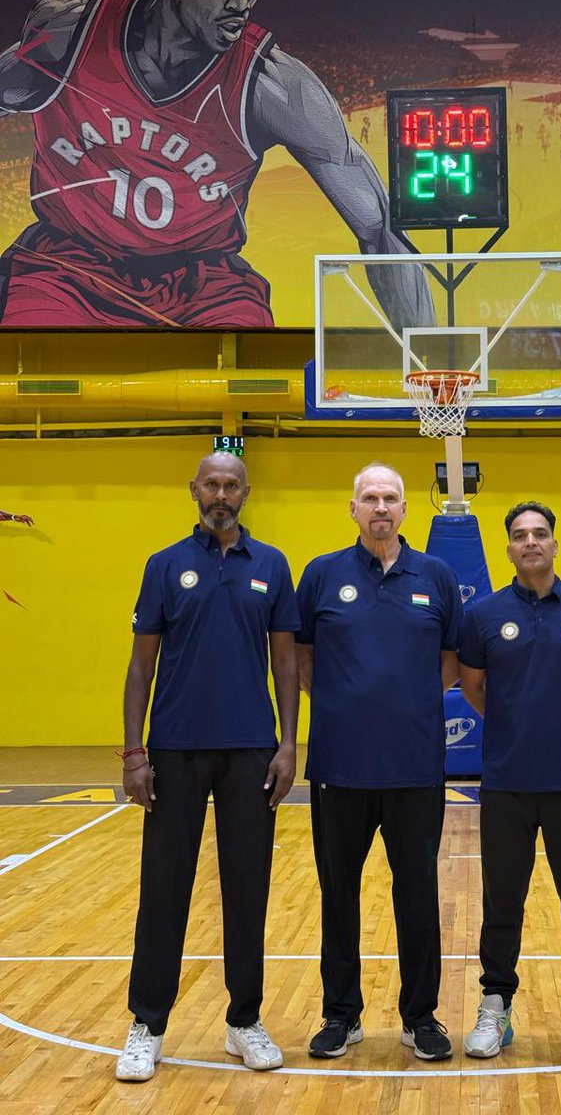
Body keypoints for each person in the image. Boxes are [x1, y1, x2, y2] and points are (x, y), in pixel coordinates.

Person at [0, 0, 431, 329]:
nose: (240, 2)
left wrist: (427, 355)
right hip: (66, 269)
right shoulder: (72, 34)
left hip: (205, 286)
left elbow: (379, 229)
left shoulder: (274, 87)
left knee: (254, 371)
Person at [116, 451, 299, 1082]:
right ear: (194, 489)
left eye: (231, 485)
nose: (221, 494)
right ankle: (147, 1025)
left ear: (246, 493)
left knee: (248, 888)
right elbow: (141, 665)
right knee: (163, 889)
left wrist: (288, 743)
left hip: (251, 750)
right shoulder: (164, 565)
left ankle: (244, 1020)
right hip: (175, 749)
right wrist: (135, 752)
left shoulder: (272, 565)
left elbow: (285, 662)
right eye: (211, 484)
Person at [295, 463, 463, 1062]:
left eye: (390, 498)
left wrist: (404, 704)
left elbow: (450, 661)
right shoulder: (321, 574)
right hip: (339, 765)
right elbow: (301, 658)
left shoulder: (436, 576)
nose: (381, 507)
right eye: (370, 497)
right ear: (353, 508)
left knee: (417, 893)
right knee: (338, 892)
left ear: (405, 509)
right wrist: (345, 703)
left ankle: (421, 1017)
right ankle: (341, 1015)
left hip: (415, 765)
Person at [458, 502, 561, 1062]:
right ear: (508, 548)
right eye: (520, 535)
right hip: (506, 783)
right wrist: (513, 725)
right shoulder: (483, 615)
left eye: (539, 533)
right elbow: (473, 687)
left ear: (555, 543)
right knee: (502, 900)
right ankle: (495, 1005)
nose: (530, 541)